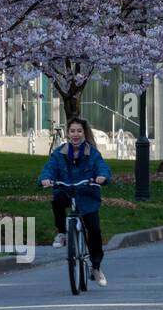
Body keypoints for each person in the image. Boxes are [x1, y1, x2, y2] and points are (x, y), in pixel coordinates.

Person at [40, 116, 112, 287]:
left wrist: (102, 177)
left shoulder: (92, 153)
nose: (76, 134)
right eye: (72, 131)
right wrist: (46, 179)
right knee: (57, 200)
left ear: (84, 133)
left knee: (94, 230)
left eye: (79, 131)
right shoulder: (59, 153)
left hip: (87, 195)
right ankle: (62, 233)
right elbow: (49, 168)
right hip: (66, 191)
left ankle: (95, 267)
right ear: (68, 133)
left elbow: (102, 167)